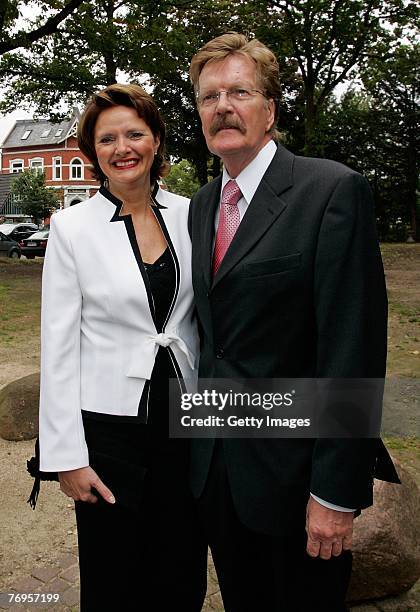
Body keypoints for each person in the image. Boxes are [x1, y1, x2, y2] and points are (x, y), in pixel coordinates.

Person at [188, 33, 399, 611]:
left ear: (270, 110)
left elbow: (352, 349)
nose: (222, 107)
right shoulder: (204, 203)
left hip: (297, 478)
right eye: (208, 97)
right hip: (219, 472)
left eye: (239, 92)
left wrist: (334, 492)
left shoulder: (331, 190)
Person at [38, 83, 207, 611]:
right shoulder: (71, 228)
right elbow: (59, 346)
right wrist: (66, 457)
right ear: (92, 153)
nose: (122, 147)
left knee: (180, 571)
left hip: (187, 422)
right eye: (107, 138)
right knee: (115, 578)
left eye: (135, 133)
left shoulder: (194, 213)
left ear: (156, 140)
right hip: (109, 430)